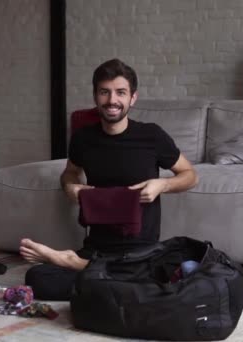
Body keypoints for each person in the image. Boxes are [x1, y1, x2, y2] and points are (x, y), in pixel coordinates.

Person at [21, 58, 198, 300]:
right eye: (105, 92)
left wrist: (162, 185)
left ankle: (77, 266)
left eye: (120, 93)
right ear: (95, 96)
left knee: (147, 276)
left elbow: (190, 176)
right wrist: (70, 187)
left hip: (139, 249)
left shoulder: (151, 136)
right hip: (97, 247)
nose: (112, 100)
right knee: (37, 278)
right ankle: (105, 278)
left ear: (132, 98)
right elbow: (70, 172)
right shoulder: (83, 139)